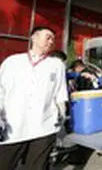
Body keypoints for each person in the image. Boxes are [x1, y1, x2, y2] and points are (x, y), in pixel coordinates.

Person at [0, 26, 68, 170]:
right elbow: (1, 91)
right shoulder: (12, 62)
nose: (51, 42)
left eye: (53, 40)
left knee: (38, 167)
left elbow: (60, 93)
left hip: (44, 127)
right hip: (12, 127)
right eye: (47, 37)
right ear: (34, 37)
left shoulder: (56, 65)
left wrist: (61, 115)